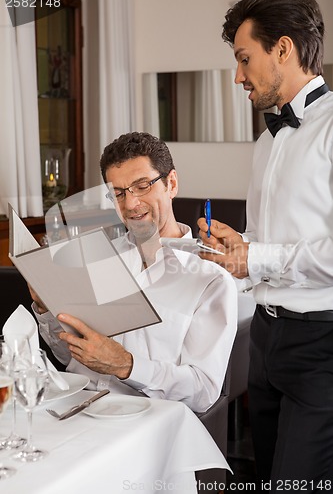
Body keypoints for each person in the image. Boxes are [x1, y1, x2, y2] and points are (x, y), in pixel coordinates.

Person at [197, 0, 333, 490]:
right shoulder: (267, 141)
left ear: (282, 49)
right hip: (265, 339)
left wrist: (259, 255)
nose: (238, 76)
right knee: (271, 476)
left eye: (243, 58)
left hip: (322, 342)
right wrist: (241, 246)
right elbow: (271, 243)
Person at [30, 132, 237, 414]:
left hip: (146, 423)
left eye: (142, 186)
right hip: (74, 409)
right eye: (118, 193)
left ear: (171, 183)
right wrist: (46, 309)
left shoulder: (210, 278)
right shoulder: (95, 258)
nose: (129, 204)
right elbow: (69, 357)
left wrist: (126, 365)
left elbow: (203, 391)